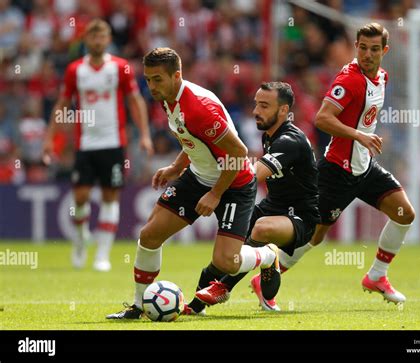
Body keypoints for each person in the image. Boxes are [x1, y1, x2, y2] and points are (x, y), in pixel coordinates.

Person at [251, 23, 416, 310]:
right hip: (337, 172)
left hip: (364, 167)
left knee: (405, 214)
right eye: (362, 47)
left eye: (374, 49)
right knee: (314, 235)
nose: (367, 54)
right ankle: (267, 277)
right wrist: (358, 135)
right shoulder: (349, 80)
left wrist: (364, 137)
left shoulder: (382, 78)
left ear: (384, 51)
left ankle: (377, 275)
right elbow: (322, 119)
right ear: (356, 46)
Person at [106, 47, 280, 319]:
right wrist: (176, 166)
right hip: (199, 176)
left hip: (234, 182)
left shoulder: (200, 107)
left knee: (227, 263)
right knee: (149, 236)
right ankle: (138, 306)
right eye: (148, 79)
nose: (151, 86)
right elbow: (194, 139)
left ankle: (268, 255)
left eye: (157, 79)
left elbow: (238, 153)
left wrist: (215, 193)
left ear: (177, 75)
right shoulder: (168, 97)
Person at [193, 82, 320, 311]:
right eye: (255, 105)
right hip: (271, 208)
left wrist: (216, 189)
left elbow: (254, 175)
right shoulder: (269, 135)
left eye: (264, 105)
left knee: (260, 229)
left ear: (283, 110)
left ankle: (227, 285)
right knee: (227, 242)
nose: (255, 111)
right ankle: (196, 303)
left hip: (301, 218)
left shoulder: (290, 141)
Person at [42, 19, 153, 272]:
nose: (98, 41)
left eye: (102, 37)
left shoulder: (120, 68)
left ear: (108, 39)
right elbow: (62, 104)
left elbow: (135, 101)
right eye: (93, 37)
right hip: (85, 143)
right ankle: (81, 239)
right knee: (80, 197)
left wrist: (145, 134)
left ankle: (102, 254)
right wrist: (50, 138)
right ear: (86, 40)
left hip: (114, 142)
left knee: (109, 197)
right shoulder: (75, 71)